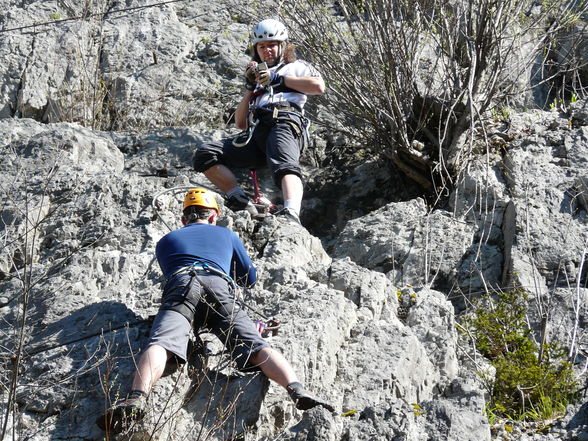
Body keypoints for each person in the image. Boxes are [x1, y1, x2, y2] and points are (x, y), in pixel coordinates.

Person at [96, 188, 333, 434]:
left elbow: (170, 273)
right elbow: (249, 278)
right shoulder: (225, 233)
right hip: (219, 286)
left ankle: (137, 397)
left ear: (183, 219)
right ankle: (296, 388)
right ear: (213, 217)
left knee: (162, 342)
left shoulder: (166, 241)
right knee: (256, 346)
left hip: (182, 284)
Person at [192, 18, 325, 224]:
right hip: (257, 132)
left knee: (285, 166)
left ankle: (291, 213)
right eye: (262, 46)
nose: (267, 50)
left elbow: (318, 87)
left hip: (284, 121)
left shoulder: (297, 67)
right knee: (206, 154)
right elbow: (240, 124)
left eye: (272, 45)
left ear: (283, 46)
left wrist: (279, 80)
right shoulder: (258, 81)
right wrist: (249, 88)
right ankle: (240, 200)